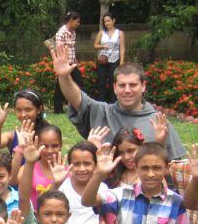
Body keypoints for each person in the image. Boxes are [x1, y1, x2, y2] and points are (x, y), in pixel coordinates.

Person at [51, 43, 186, 160]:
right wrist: (64, 76)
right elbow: (76, 98)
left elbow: (172, 167)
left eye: (133, 85)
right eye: (122, 85)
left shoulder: (158, 123)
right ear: (115, 87)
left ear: (143, 86)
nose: (127, 90)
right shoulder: (102, 113)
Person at [50, 11, 82, 114]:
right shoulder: (61, 32)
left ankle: (79, 106)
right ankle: (58, 109)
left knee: (79, 83)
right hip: (64, 64)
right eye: (77, 21)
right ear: (71, 20)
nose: (78, 24)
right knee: (60, 86)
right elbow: (59, 49)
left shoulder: (73, 32)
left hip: (72, 63)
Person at [94, 12, 125, 103]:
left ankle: (113, 102)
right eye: (105, 22)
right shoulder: (101, 33)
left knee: (113, 81)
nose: (107, 23)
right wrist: (102, 46)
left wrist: (122, 62)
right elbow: (95, 46)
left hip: (114, 59)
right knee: (101, 81)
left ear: (113, 21)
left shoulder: (120, 33)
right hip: (103, 60)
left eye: (108, 21)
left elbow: (122, 48)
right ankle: (101, 102)